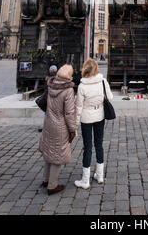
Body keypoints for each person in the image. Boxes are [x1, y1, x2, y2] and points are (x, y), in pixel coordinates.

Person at [75, 59, 113, 190]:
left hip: (86, 118)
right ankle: (100, 175)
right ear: (96, 68)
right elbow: (110, 97)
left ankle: (85, 180)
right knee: (99, 144)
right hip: (99, 115)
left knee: (88, 147)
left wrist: (75, 124)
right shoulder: (102, 81)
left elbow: (78, 107)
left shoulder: (82, 86)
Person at [39, 64, 76, 195]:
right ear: (69, 75)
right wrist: (73, 129)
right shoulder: (68, 90)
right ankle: (52, 186)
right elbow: (69, 113)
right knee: (57, 155)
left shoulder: (51, 85)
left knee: (49, 150)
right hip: (60, 126)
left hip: (48, 122)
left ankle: (45, 179)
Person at [38, 65, 58, 133]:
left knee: (46, 114)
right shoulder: (59, 81)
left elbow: (46, 91)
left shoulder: (48, 81)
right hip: (56, 101)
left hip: (49, 100)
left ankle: (46, 127)